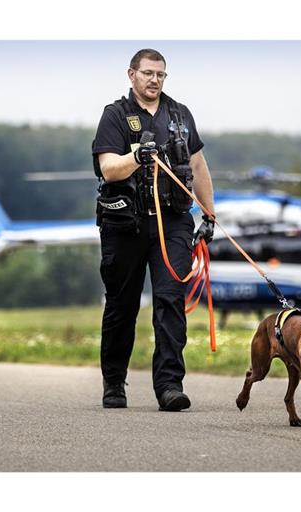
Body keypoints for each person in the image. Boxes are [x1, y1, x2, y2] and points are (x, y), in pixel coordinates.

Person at [91, 48, 216, 411]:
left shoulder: (180, 115)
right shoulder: (115, 115)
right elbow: (109, 169)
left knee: (170, 300)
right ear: (132, 75)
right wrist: (137, 157)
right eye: (147, 73)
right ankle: (114, 381)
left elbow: (197, 163)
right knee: (122, 305)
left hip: (174, 221)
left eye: (160, 74)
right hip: (125, 224)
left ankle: (169, 386)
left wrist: (209, 214)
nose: (154, 80)